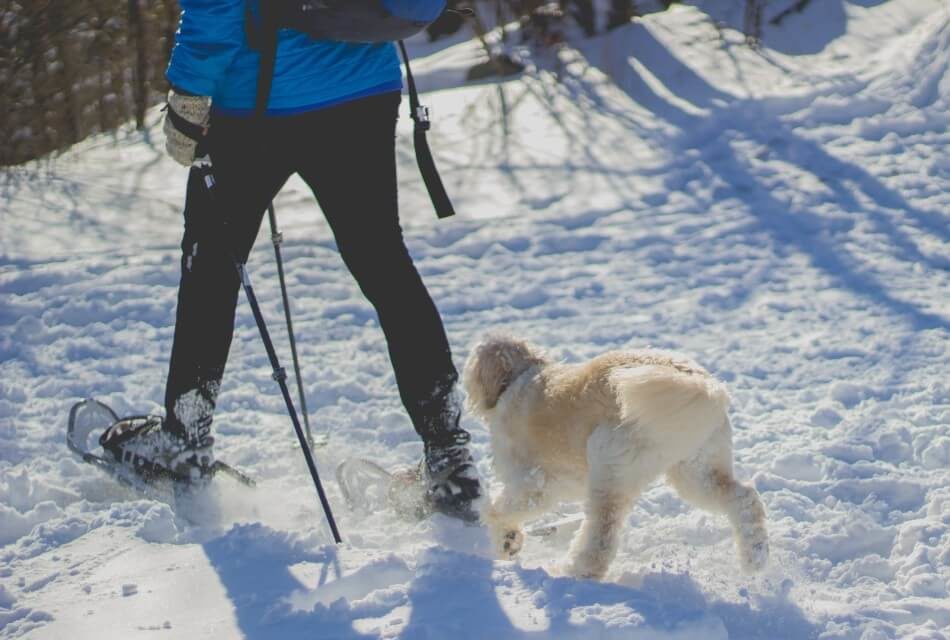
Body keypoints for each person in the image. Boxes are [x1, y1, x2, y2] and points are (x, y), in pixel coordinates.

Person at [110, 0, 481, 521]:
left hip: (254, 105)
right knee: (384, 264)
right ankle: (449, 456)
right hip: (362, 89)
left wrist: (191, 89)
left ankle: (184, 440)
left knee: (212, 269)